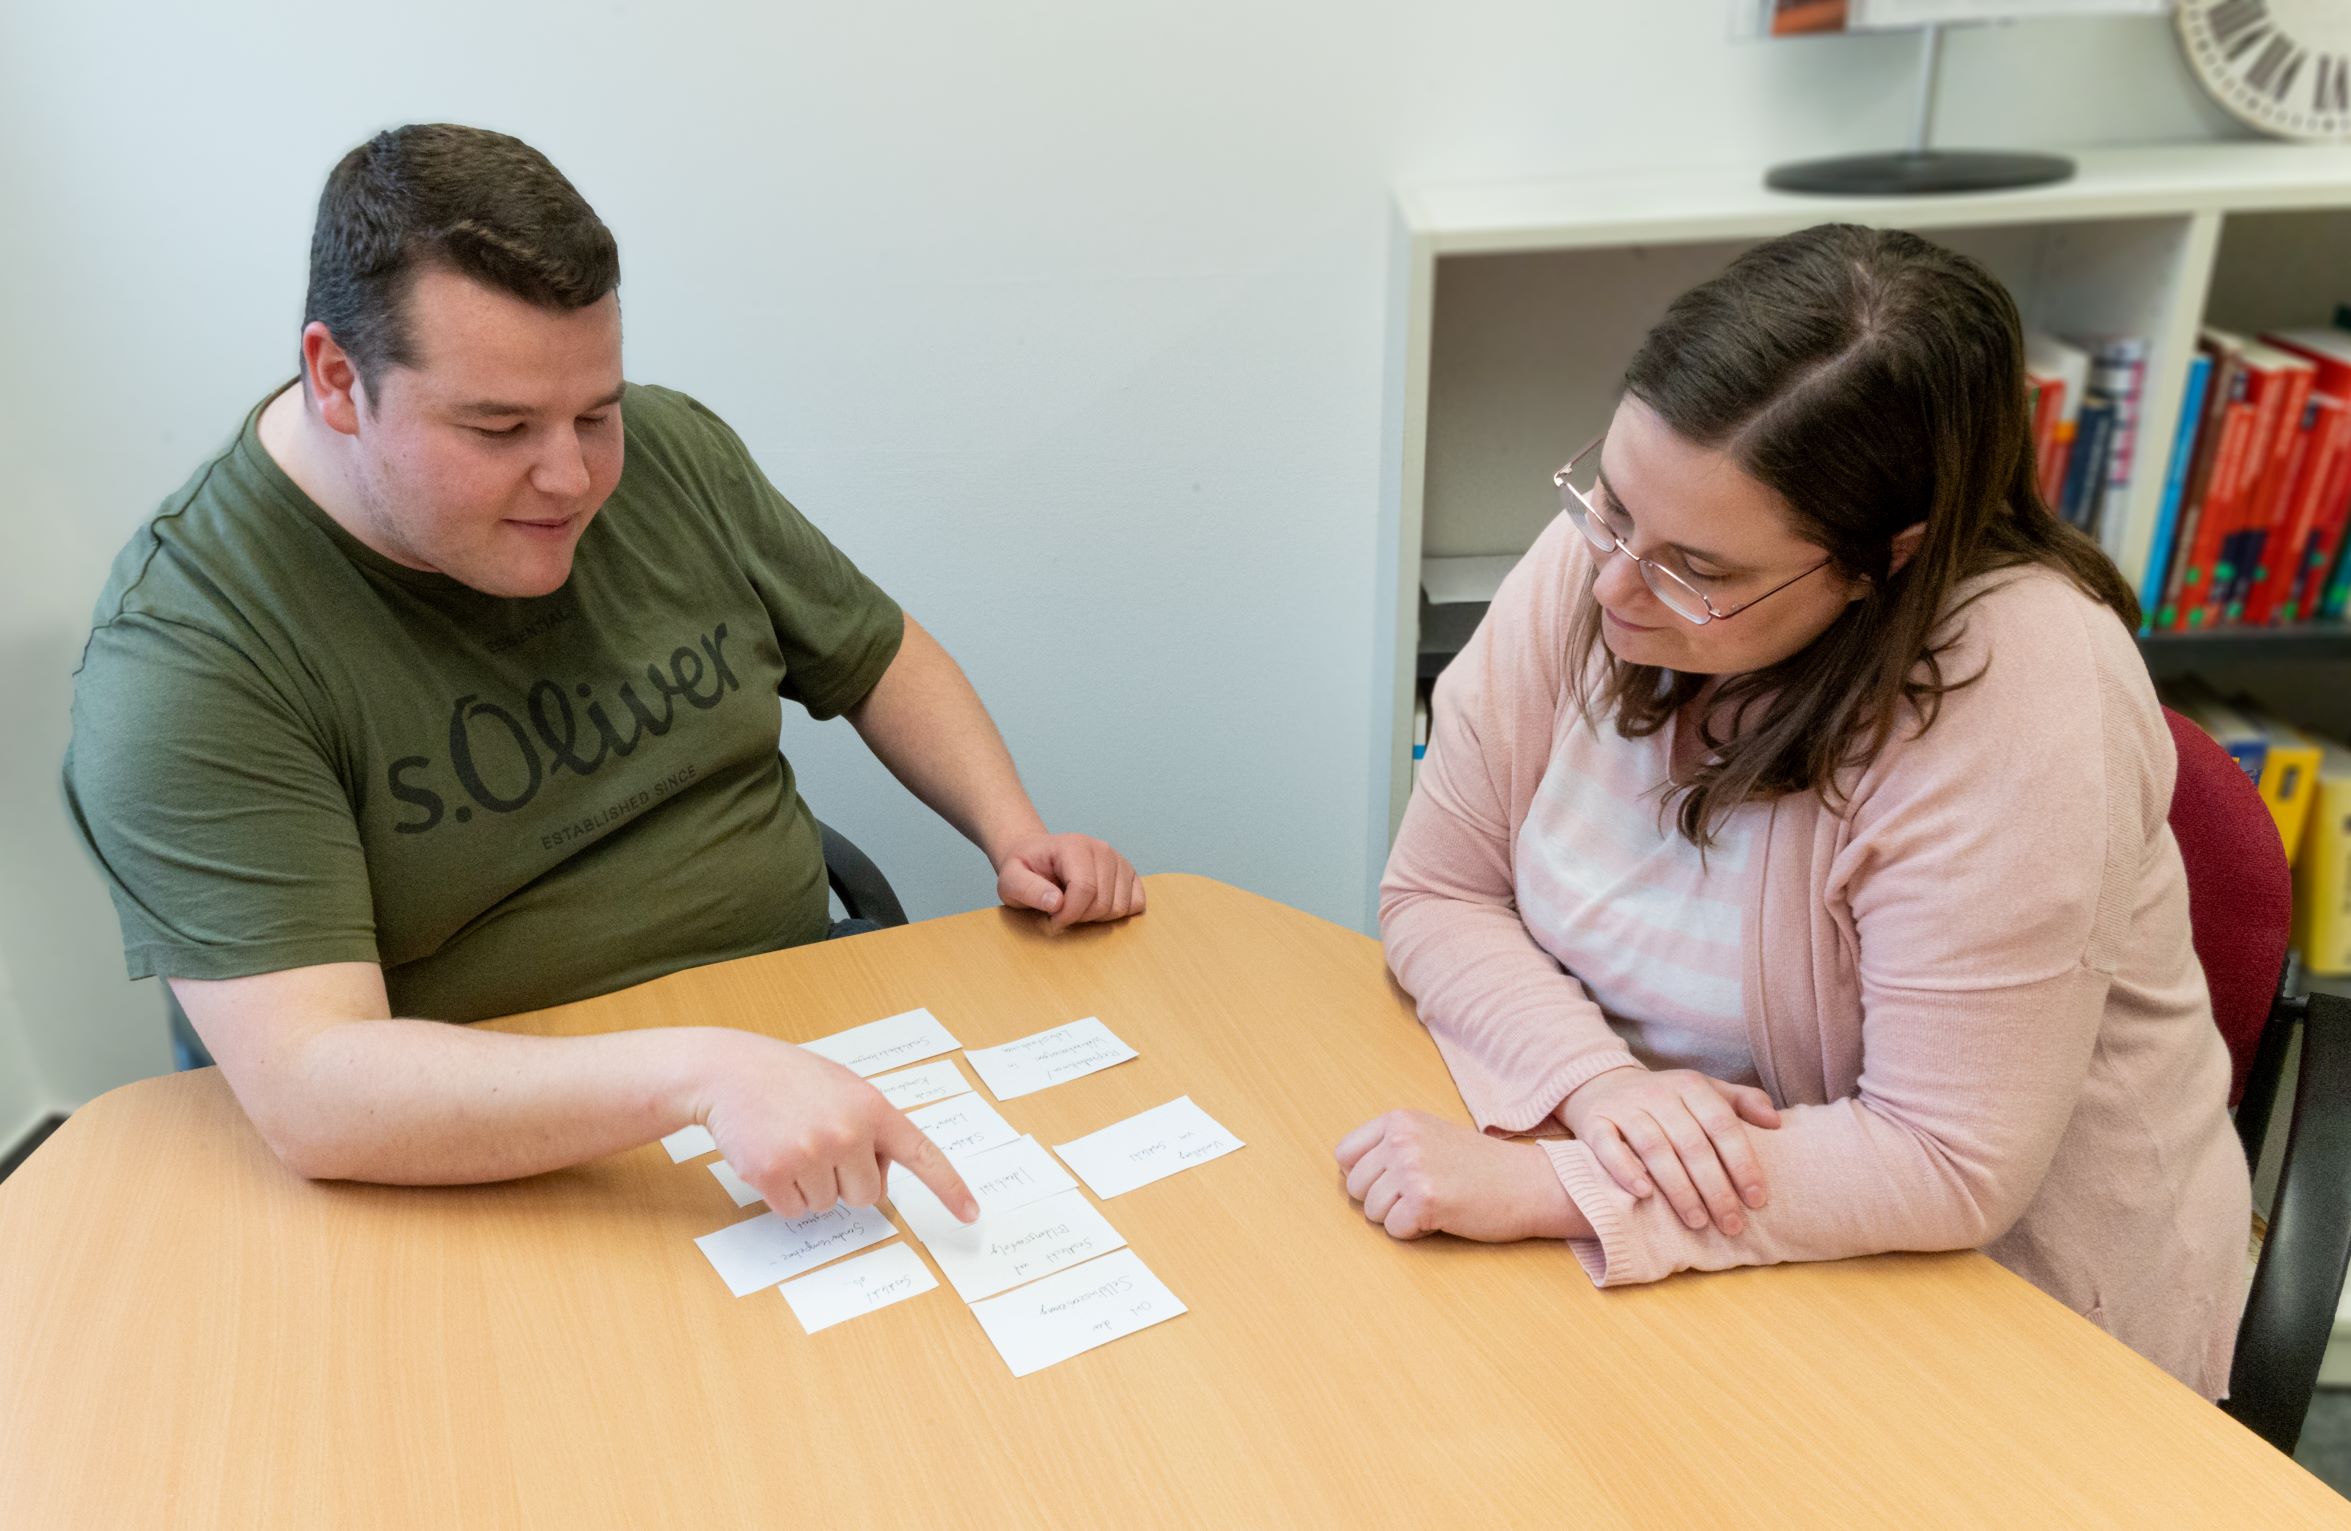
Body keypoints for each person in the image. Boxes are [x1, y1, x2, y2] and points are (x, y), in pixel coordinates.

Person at [64, 123, 1147, 1224]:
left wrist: (1011, 832)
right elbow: (313, 1090)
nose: (570, 477)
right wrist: (700, 1076)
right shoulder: (190, 657)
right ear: (338, 379)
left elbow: (874, 650)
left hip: (794, 1028)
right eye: (498, 427)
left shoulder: (672, 454)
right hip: (506, 1145)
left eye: (597, 411)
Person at [1337, 224, 2251, 1399]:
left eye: (1698, 571)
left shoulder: (2026, 698)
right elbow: (1437, 891)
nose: (1610, 582)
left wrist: (1556, 1185)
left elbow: (1943, 1161)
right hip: (1706, 1247)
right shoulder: (1626, 552)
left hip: (1992, 1323)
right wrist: (1601, 1090)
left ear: (1884, 559)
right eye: (1608, 505)